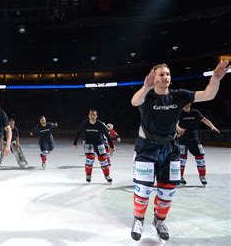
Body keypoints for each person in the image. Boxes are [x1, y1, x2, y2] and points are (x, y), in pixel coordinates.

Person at [129, 61, 229, 241]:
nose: (165, 77)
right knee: (143, 190)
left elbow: (208, 94)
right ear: (153, 77)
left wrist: (216, 78)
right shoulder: (147, 96)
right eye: (160, 74)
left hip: (170, 148)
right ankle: (138, 220)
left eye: (167, 74)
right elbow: (134, 101)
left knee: (167, 192)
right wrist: (145, 87)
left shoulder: (179, 96)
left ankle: (159, 221)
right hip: (146, 148)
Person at [178, 103, 220, 186]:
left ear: (190, 103)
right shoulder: (178, 112)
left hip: (193, 136)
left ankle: (202, 176)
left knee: (200, 156)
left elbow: (204, 119)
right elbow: (174, 122)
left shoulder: (195, 112)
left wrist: (212, 127)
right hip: (182, 137)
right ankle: (180, 176)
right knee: (182, 158)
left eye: (188, 102)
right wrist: (178, 129)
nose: (186, 104)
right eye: (185, 102)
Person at [74, 110, 114, 183]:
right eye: (91, 114)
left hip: (99, 143)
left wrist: (111, 146)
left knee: (103, 160)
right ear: (89, 116)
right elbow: (78, 132)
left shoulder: (100, 124)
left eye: (94, 115)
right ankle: (88, 175)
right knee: (90, 159)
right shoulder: (85, 123)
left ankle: (107, 176)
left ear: (96, 116)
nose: (92, 116)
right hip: (88, 143)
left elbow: (107, 135)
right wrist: (75, 143)